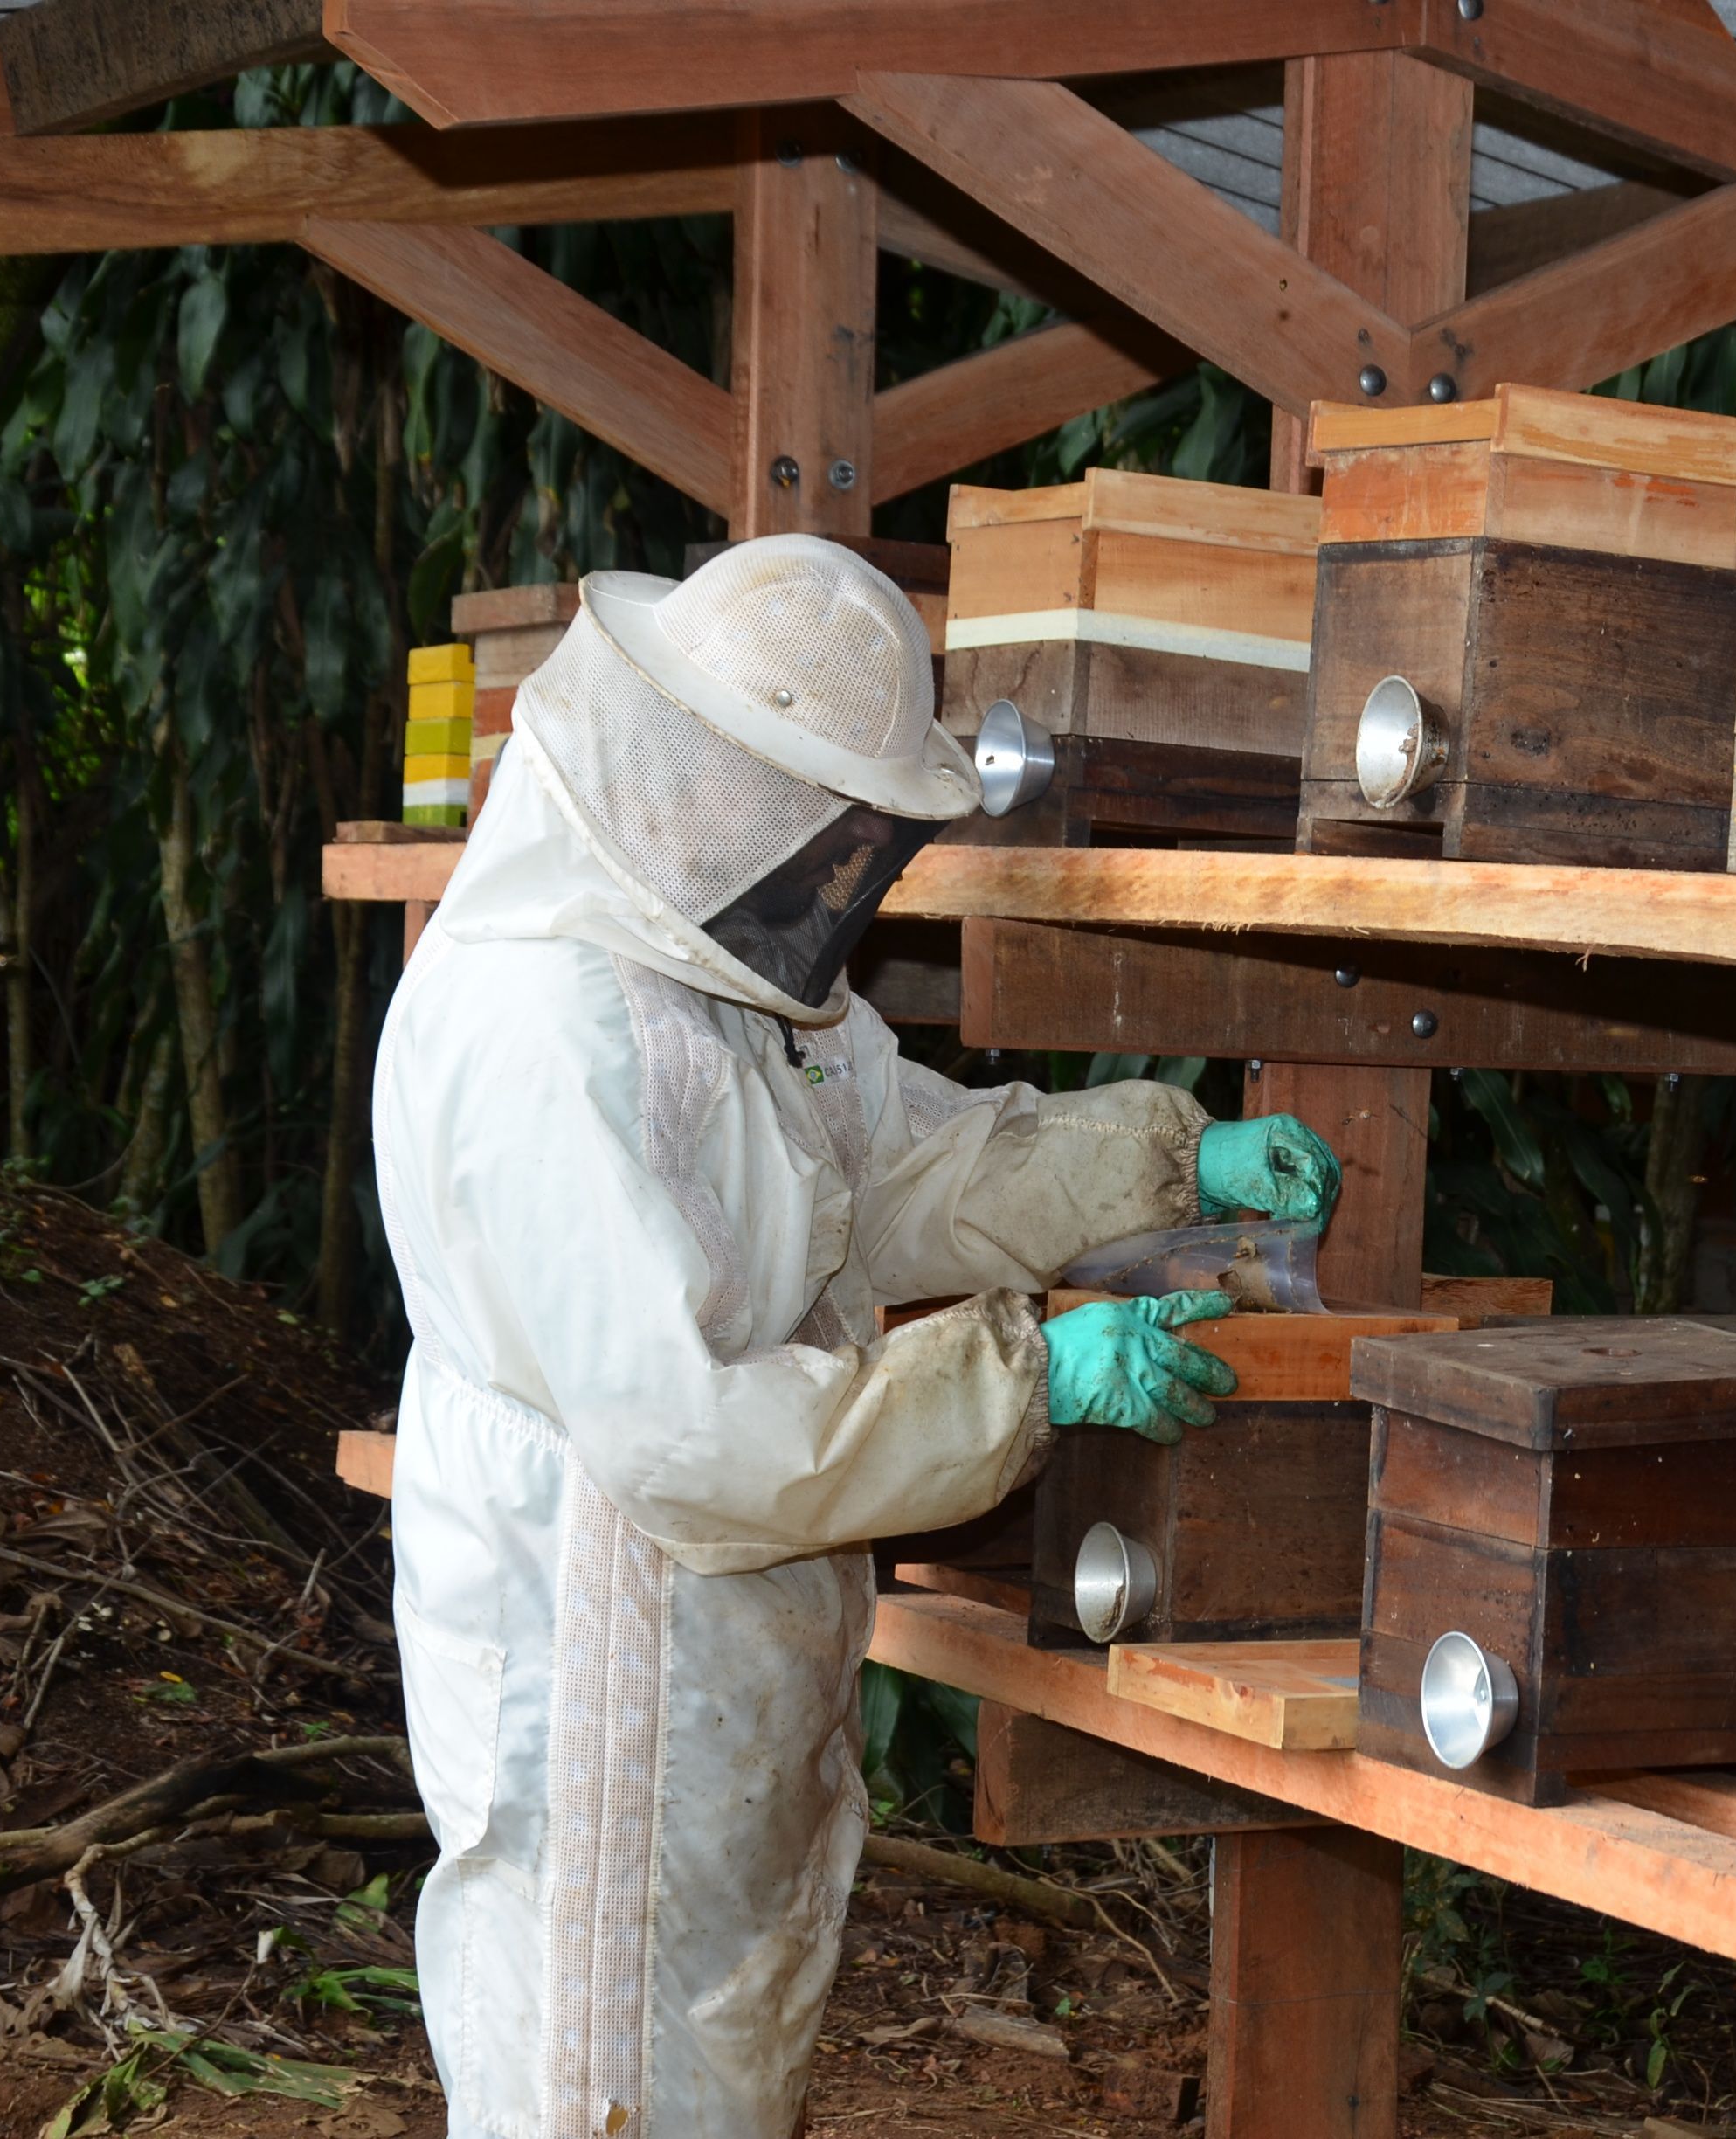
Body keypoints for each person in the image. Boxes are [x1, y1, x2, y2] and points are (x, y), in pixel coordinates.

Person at [370, 535, 1338, 2137]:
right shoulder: (541, 1022)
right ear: (729, 779)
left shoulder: (721, 979)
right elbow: (693, 1442)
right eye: (836, 825)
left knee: (722, 2056)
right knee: (596, 2069)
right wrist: (1031, 1373)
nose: (846, 876)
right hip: (599, 1614)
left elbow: (892, 1164)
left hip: (730, 1619)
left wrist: (1163, 1161)